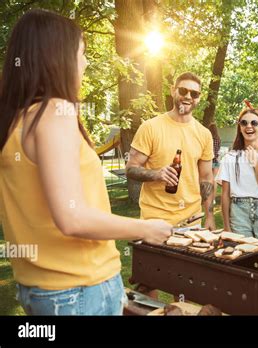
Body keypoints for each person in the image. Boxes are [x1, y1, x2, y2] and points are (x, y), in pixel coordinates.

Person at [0, 9, 172, 315]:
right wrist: (144, 228)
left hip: (42, 289)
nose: (86, 63)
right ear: (57, 57)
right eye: (82, 53)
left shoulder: (15, 120)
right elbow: (72, 218)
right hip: (79, 289)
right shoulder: (54, 112)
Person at [126, 72, 215, 230]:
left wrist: (209, 217)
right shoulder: (150, 127)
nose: (188, 96)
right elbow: (131, 168)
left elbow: (207, 178)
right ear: (173, 90)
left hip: (193, 222)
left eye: (194, 93)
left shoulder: (204, 134)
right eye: (183, 91)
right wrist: (157, 174)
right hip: (155, 221)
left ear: (199, 98)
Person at [217, 103, 258, 242]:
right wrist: (227, 227)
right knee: (243, 255)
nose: (249, 126)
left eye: (254, 123)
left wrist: (255, 164)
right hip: (238, 212)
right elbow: (225, 195)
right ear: (240, 128)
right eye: (244, 123)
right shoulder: (230, 157)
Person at [208, 122, 221, 205]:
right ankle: (213, 199)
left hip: (209, 161)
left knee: (208, 179)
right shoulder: (218, 139)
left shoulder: (208, 138)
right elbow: (218, 151)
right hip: (216, 161)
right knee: (215, 180)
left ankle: (207, 198)